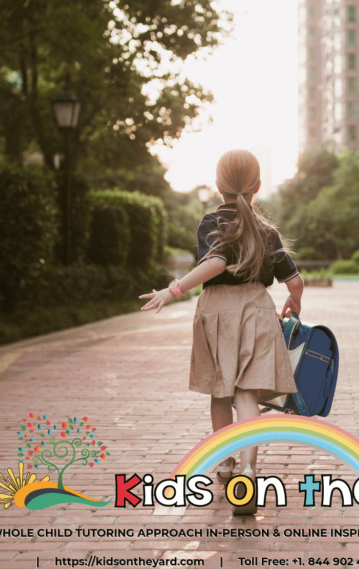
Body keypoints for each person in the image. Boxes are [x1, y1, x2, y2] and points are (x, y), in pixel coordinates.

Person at [140, 149, 303, 515]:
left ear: (218, 186)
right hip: (259, 309)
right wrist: (295, 302)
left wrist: (174, 288)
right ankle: (249, 469)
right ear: (258, 186)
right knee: (248, 393)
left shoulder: (213, 221)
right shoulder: (267, 231)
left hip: (218, 310)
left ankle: (226, 463)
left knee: (220, 392)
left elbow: (216, 262)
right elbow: (294, 280)